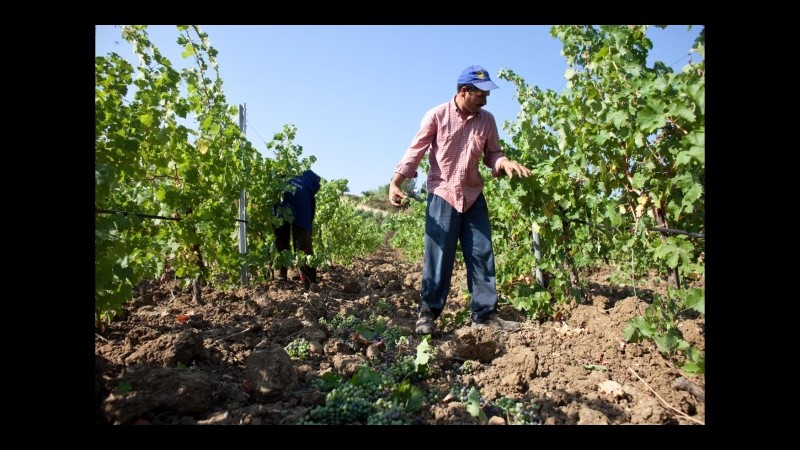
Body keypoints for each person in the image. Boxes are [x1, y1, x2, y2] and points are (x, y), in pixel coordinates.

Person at [389, 65, 532, 335]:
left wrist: (504, 163)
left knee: (481, 253)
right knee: (439, 255)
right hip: (443, 194)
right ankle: (428, 314)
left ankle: (485, 316)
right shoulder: (437, 115)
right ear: (464, 91)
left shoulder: (487, 120)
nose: (485, 100)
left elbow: (493, 153)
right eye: (481, 94)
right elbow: (416, 150)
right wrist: (397, 181)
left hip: (472, 194)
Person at [273, 169, 321, 289]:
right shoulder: (309, 178)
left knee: (280, 239)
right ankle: (308, 280)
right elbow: (315, 189)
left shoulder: (282, 175)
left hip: (281, 198)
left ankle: (280, 278)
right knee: (303, 242)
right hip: (302, 201)